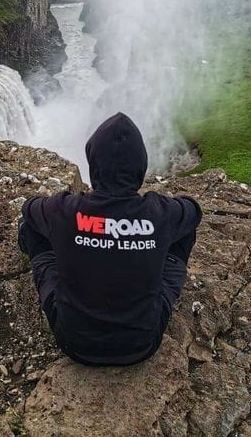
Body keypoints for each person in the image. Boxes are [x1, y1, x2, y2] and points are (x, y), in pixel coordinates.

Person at [17, 112, 202, 366]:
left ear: (93, 165)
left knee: (31, 227)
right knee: (184, 230)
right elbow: (194, 211)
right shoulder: (160, 212)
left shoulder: (65, 209)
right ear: (141, 167)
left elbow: (28, 208)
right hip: (142, 344)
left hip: (74, 342)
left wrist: (73, 227)